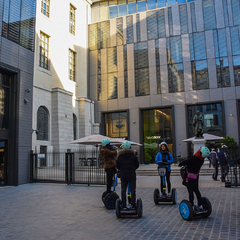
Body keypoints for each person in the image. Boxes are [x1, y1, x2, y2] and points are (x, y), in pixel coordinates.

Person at [179, 147, 210, 211]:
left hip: (189, 177)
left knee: (190, 191)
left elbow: (185, 162)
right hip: (195, 177)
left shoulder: (194, 158)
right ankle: (200, 205)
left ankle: (191, 205)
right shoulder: (201, 160)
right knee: (196, 190)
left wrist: (180, 164)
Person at [116, 141, 139, 210]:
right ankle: (133, 205)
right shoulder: (133, 156)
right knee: (132, 190)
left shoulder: (120, 156)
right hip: (132, 175)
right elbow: (137, 165)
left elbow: (117, 166)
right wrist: (132, 168)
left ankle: (124, 205)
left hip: (123, 175)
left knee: (123, 190)